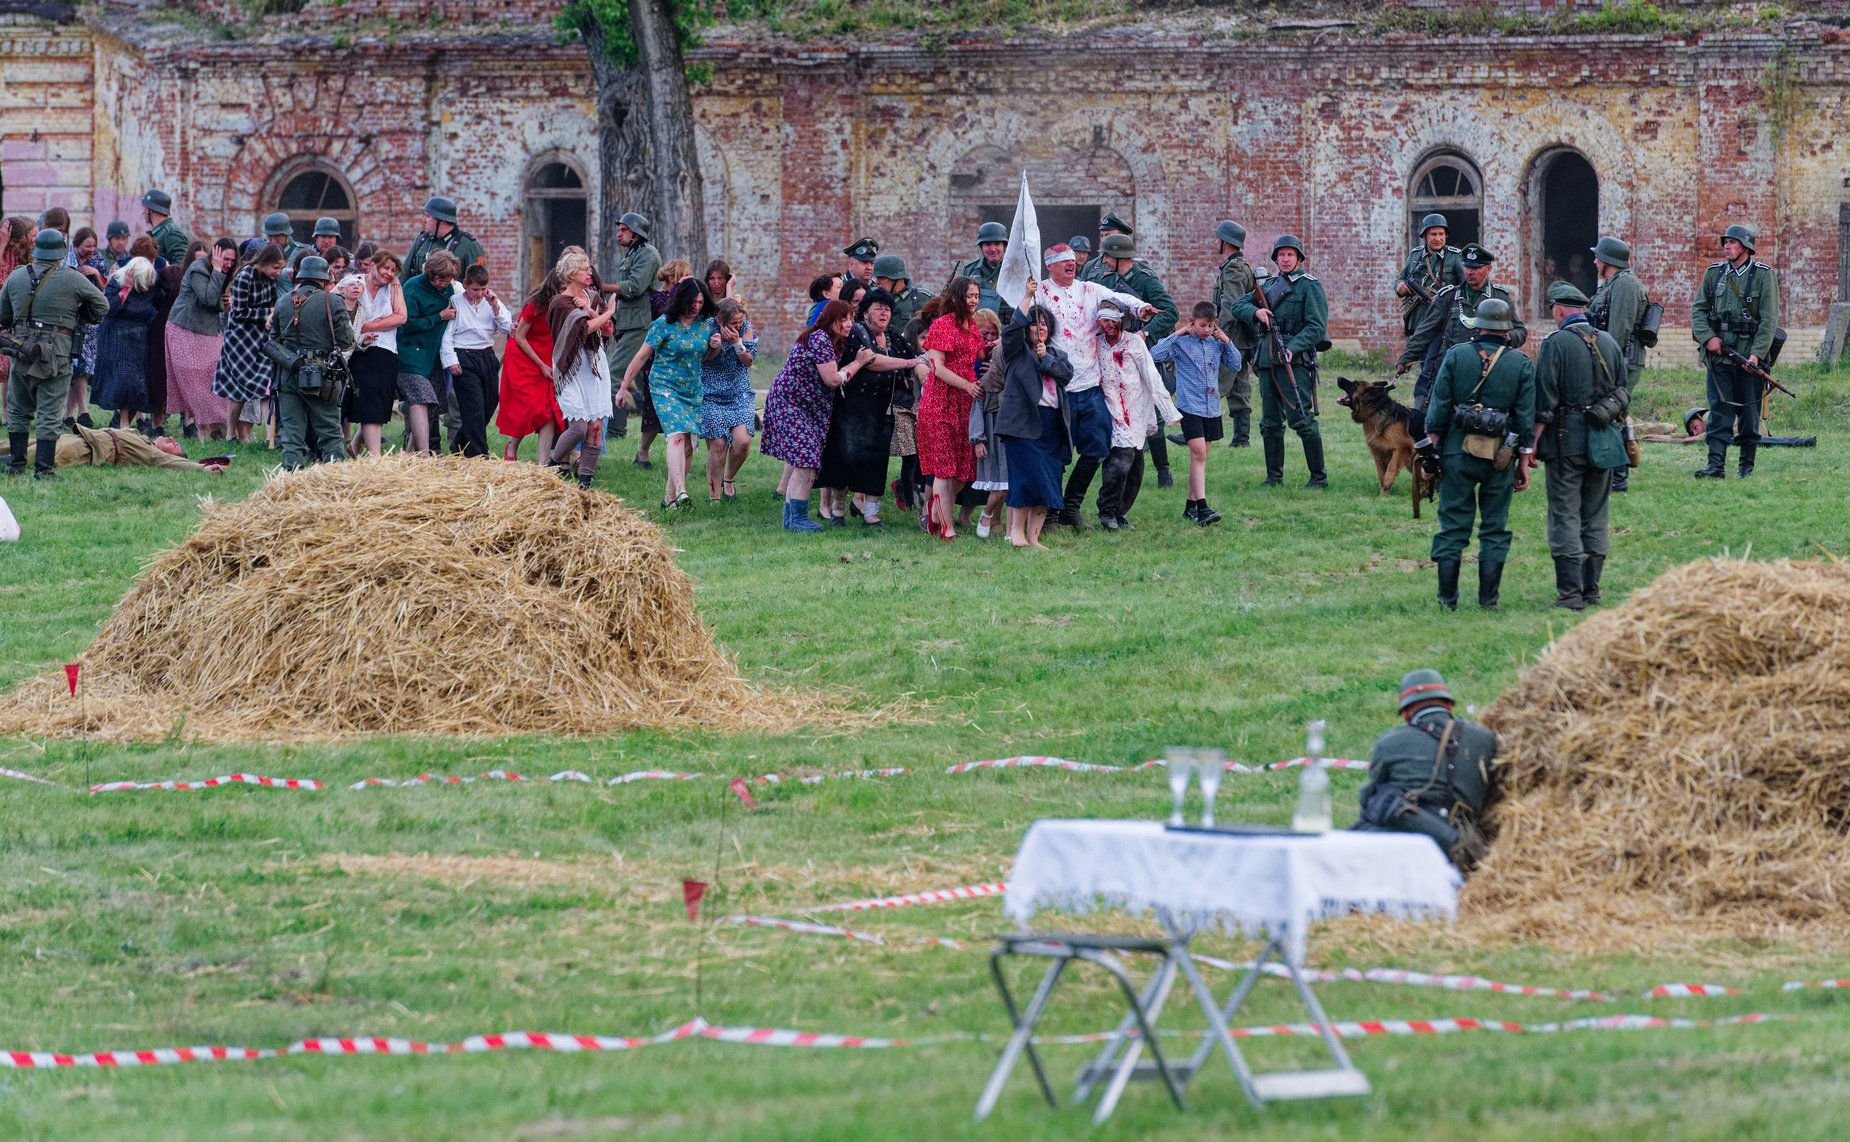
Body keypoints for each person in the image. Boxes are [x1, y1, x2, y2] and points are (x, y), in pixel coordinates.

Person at [1422, 297, 1536, 611]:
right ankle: (1489, 601)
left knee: (1453, 526)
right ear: (1506, 329)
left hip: (1457, 452)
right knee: (1495, 526)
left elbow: (1438, 405)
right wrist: (1523, 461)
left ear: (1479, 324)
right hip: (1500, 456)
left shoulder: (1456, 356)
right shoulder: (1521, 363)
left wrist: (1432, 452)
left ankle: (1448, 600)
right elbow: (1526, 418)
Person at [1034, 243, 1156, 528]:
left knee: (1097, 449)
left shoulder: (1090, 289)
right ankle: (1050, 512)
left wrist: (1141, 309)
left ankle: (1070, 507)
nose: (1070, 263)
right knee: (1055, 453)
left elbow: (1119, 298)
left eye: (1071, 260)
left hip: (1090, 386)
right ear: (1049, 266)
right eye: (1062, 260)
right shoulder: (1039, 291)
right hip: (1057, 387)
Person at [1530, 281, 1628, 611]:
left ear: (1559, 311)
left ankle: (1570, 594)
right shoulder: (1611, 343)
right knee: (1596, 515)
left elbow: (1543, 402)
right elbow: (1624, 392)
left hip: (1565, 442)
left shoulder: (1555, 344)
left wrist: (1530, 445)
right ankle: (1592, 590)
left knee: (1565, 515)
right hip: (1604, 443)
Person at [1354, 669, 1495, 873]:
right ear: (1448, 704)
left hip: (1407, 838)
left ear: (1406, 713)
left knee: (1382, 800)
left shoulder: (1390, 742)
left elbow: (1368, 798)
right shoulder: (1484, 739)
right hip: (1466, 842)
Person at [1, 228, 109, 479]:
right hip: (57, 352)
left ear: (36, 250)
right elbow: (102, 306)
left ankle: (16, 465)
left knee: (18, 408)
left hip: (22, 349)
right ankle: (43, 469)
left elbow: (3, 316)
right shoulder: (72, 279)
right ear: (61, 253)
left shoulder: (16, 278)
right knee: (50, 410)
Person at [818, 287, 924, 527]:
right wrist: (910, 362)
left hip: (881, 411)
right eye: (878, 307)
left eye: (887, 308)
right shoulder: (856, 333)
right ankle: (838, 511)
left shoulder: (895, 338)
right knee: (845, 460)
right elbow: (872, 362)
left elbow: (915, 360)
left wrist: (919, 367)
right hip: (851, 410)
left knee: (877, 462)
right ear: (865, 312)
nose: (883, 313)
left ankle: (872, 515)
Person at [1232, 235, 1330, 489]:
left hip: (1294, 362)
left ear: (1298, 258)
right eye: (1281, 255)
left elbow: (1316, 327)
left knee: (1301, 418)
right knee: (1270, 421)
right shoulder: (1268, 286)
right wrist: (1256, 311)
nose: (1285, 259)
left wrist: (1293, 348)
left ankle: (1318, 477)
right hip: (1267, 360)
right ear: (1276, 258)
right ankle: (1273, 477)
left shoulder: (1310, 286)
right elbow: (1238, 306)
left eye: (1290, 255)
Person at [763, 299, 868, 532]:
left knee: (804, 461)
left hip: (807, 408)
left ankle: (791, 520)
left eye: (851, 318)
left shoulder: (832, 340)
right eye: (844, 319)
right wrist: (858, 364)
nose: (849, 324)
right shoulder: (820, 338)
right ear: (830, 319)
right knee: (807, 461)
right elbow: (831, 380)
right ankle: (798, 519)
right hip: (791, 404)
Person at [1689, 223, 1779, 480]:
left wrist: (1756, 355)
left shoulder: (1763, 275)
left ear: (1746, 248)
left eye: (1733, 242)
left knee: (1749, 416)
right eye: (1725, 242)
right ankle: (1715, 466)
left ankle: (1745, 468)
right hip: (1719, 357)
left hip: (1748, 358)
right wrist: (1708, 338)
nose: (1727, 246)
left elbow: (1769, 320)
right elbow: (1698, 310)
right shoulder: (1714, 274)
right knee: (1719, 412)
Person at [1396, 243, 1526, 414]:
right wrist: (1406, 358)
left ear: (1488, 269)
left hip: (1488, 374)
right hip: (1452, 373)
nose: (1469, 272)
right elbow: (1425, 331)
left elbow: (1520, 332)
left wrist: (1506, 337)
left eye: (1476, 268)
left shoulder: (1499, 298)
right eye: (1467, 266)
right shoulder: (1448, 296)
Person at [621, 277, 712, 510]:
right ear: (681, 300)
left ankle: (669, 499)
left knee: (689, 446)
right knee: (676, 435)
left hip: (691, 390)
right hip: (664, 386)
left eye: (701, 302)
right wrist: (623, 387)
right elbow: (641, 356)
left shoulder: (705, 325)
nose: (697, 307)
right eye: (693, 302)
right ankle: (682, 491)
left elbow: (704, 358)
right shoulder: (664, 324)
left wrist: (716, 348)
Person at [1152, 302, 1243, 526]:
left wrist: (1227, 341)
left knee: (1200, 458)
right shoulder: (1181, 342)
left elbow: (1236, 364)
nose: (1206, 329)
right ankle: (1203, 507)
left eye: (1211, 326)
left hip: (1211, 406)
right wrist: (1178, 332)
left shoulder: (1216, 343)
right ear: (1192, 321)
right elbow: (1155, 354)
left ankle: (1189, 508)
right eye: (1202, 325)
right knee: (1199, 453)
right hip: (1189, 405)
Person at [997, 281, 1072, 548]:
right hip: (1022, 426)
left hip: (1051, 426)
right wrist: (1028, 296)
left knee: (1048, 482)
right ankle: (1016, 532)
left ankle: (1034, 538)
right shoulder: (1016, 352)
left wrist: (1046, 360)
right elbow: (1011, 331)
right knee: (1027, 479)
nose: (1039, 328)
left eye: (1044, 324)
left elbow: (1066, 375)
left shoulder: (1056, 354)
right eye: (1034, 324)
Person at [1094, 301, 1180, 530]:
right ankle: (1107, 512)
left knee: (1135, 467)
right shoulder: (1096, 345)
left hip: (1136, 412)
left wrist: (1169, 412)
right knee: (1119, 462)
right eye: (1104, 320)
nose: (1109, 325)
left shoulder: (1134, 343)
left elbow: (1152, 377)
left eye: (1113, 320)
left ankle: (1120, 512)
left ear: (1122, 320)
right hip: (1111, 412)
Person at [917, 276, 989, 539]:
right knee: (945, 468)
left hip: (964, 405)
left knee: (963, 470)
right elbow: (938, 367)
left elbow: (980, 354)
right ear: (957, 297)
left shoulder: (971, 326)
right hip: (940, 401)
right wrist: (967, 385)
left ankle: (935, 510)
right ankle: (947, 527)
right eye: (969, 296)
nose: (973, 301)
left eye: (976, 296)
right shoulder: (942, 325)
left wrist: (1002, 343)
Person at [269, 255, 355, 469]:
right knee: (330, 432)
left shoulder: (283, 301)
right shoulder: (333, 300)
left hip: (288, 373)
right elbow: (346, 341)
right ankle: (337, 477)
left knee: (291, 434)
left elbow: (273, 340)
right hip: (321, 374)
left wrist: (294, 361)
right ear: (325, 278)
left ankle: (291, 477)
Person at [547, 248, 617, 488]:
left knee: (595, 427)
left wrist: (604, 321)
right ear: (570, 273)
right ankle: (553, 463)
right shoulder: (559, 302)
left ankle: (585, 482)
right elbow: (583, 330)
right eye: (584, 269)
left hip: (594, 365)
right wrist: (607, 313)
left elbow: (605, 330)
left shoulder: (593, 298)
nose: (589, 273)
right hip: (571, 367)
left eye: (589, 269)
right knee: (578, 427)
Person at [1589, 235, 1649, 495]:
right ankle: (1613, 473)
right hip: (1612, 358)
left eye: (1597, 257)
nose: (1594, 261)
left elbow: (1619, 329)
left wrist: (1605, 361)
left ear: (1607, 260)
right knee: (1613, 413)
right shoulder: (1611, 284)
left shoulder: (1624, 285)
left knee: (1614, 413)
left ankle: (1619, 476)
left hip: (1621, 360)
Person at [438, 263, 512, 458]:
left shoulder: (491, 301)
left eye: (483, 289)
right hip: (464, 355)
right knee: (474, 407)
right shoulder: (455, 301)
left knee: (489, 404)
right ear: (465, 285)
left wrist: (495, 305)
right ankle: (479, 454)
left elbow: (506, 327)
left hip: (487, 356)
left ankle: (459, 443)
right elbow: (447, 335)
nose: (479, 294)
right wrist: (451, 360)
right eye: (475, 289)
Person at [164, 237, 235, 439]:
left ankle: (218, 427)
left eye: (231, 260)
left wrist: (225, 304)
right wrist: (218, 271)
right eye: (225, 259)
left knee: (217, 375)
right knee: (195, 380)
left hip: (208, 330)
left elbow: (215, 302)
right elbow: (208, 298)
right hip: (184, 328)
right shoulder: (198, 269)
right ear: (217, 254)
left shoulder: (223, 272)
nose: (228, 264)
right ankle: (202, 428)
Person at [212, 243, 284, 443]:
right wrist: (269, 313)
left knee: (266, 388)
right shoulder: (245, 276)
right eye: (275, 267)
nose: (278, 272)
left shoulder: (271, 279)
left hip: (261, 338)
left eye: (281, 268)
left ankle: (270, 439)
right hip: (240, 340)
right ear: (264, 262)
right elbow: (239, 312)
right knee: (238, 391)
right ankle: (229, 434)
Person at [603, 212, 661, 444]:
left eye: (623, 230)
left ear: (636, 233)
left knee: (614, 375)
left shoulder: (647, 254)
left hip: (640, 323)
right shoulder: (634, 253)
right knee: (643, 381)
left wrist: (605, 287)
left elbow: (635, 287)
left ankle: (615, 431)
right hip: (630, 322)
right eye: (619, 229)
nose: (619, 233)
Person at [495, 267, 564, 463]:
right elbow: (520, 336)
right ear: (554, 287)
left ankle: (542, 465)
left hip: (547, 357)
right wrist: (541, 365)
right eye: (563, 288)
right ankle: (512, 445)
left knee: (549, 411)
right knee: (531, 407)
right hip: (524, 356)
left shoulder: (566, 304)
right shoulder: (535, 305)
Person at [397, 249, 460, 456]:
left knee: (432, 407)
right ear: (430, 272)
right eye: (440, 279)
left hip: (433, 357)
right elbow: (407, 323)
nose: (443, 284)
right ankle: (424, 455)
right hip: (411, 356)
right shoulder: (412, 287)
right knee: (421, 399)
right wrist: (439, 316)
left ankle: (408, 454)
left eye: (447, 280)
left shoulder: (448, 290)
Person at [348, 250, 408, 457]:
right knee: (369, 402)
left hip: (386, 350)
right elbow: (335, 303)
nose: (389, 273)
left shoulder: (393, 287)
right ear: (372, 264)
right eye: (386, 268)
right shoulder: (354, 282)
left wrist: (370, 325)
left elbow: (401, 317)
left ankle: (355, 446)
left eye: (393, 270)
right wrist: (358, 330)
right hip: (359, 350)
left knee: (379, 402)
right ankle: (374, 457)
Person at [698, 297, 757, 502]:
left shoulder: (745, 328)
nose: (738, 326)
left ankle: (728, 479)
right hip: (711, 394)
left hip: (738, 392)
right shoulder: (707, 326)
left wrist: (737, 343)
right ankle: (714, 497)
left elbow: (749, 361)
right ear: (720, 320)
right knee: (719, 445)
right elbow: (701, 359)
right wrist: (713, 347)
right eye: (734, 323)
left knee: (743, 442)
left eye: (740, 321)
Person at [91, 256, 160, 429]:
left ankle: (125, 420)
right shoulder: (116, 282)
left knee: (137, 384)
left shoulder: (151, 288)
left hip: (139, 340)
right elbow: (110, 309)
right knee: (125, 381)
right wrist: (126, 288)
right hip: (117, 340)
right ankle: (122, 422)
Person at [0, 423, 224, 472]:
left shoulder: (150, 453)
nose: (172, 439)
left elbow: (168, 462)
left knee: (25, 456)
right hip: (77, 436)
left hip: (82, 450)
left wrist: (202, 468)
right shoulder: (142, 437)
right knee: (11, 443)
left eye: (175, 445)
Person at [1211, 220, 1257, 449]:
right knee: (1239, 389)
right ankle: (1241, 439)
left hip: (1231, 340)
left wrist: (1215, 334)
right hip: (1237, 340)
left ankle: (1201, 435)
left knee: (1211, 386)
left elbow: (1230, 307)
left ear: (1225, 242)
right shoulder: (1236, 265)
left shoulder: (1234, 268)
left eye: (1218, 238)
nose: (1215, 242)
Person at [69, 225, 113, 427]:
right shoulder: (69, 259)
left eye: (94, 245)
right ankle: (77, 413)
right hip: (72, 318)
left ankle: (75, 414)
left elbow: (106, 290)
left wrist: (95, 273)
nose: (91, 249)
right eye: (87, 245)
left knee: (84, 368)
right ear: (77, 244)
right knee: (77, 368)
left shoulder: (97, 260)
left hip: (90, 321)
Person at [1394, 213, 1464, 337]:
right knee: (1417, 354)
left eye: (1441, 234)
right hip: (1418, 319)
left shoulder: (1455, 256)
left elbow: (1465, 287)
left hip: (1443, 319)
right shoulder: (1415, 254)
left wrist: (1445, 297)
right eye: (1433, 234)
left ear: (1446, 235)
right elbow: (1401, 279)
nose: (1438, 238)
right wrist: (1399, 286)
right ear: (1425, 236)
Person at [404, 195, 486, 278]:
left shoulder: (469, 246)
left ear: (442, 220)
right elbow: (404, 274)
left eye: (428, 216)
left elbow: (479, 283)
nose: (424, 220)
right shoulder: (422, 240)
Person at [952, 221, 1011, 321]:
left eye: (997, 244)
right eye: (987, 244)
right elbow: (959, 301)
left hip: (1007, 329)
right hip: (975, 328)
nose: (993, 249)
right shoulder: (970, 270)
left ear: (1004, 246)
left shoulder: (1015, 270)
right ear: (981, 247)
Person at [872, 254, 932, 334]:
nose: (877, 282)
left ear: (897, 279)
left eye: (882, 278)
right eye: (877, 278)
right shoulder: (872, 297)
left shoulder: (923, 298)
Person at [1080, 211, 1135, 284]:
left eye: (1108, 236)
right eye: (1102, 236)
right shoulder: (1090, 266)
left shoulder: (1135, 265)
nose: (1103, 240)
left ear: (1122, 237)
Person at [142, 189, 190, 265]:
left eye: (146, 208)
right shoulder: (160, 231)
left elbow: (181, 266)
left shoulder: (171, 232)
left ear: (151, 210)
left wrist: (161, 273)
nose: (144, 211)